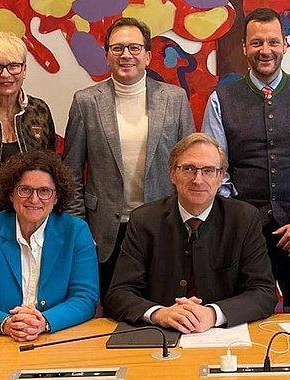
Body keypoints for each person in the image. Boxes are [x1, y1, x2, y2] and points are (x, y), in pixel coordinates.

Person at [202, 8, 290, 311]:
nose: (266, 51)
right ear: (244, 48)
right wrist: (237, 220)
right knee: (243, 310)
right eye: (257, 43)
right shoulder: (220, 100)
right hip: (242, 229)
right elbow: (213, 170)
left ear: (285, 45)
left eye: (273, 42)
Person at [62, 17, 195, 304]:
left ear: (147, 55)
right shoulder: (86, 101)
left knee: (165, 307)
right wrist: (81, 231)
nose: (126, 55)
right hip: (106, 231)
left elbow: (191, 167)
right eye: (117, 48)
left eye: (134, 48)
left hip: (164, 225)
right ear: (107, 54)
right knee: (113, 310)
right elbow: (70, 174)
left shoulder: (175, 99)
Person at [104, 133, 276, 333]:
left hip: (224, 338)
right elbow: (118, 293)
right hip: (159, 337)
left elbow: (263, 292)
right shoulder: (144, 220)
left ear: (221, 177)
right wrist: (160, 314)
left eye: (209, 170)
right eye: (188, 169)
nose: (198, 179)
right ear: (172, 174)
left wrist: (213, 314)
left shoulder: (244, 219)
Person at [0, 151, 98, 340]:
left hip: (58, 338)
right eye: (25, 189)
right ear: (11, 193)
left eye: (44, 191)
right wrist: (6, 323)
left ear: (56, 197)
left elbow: (85, 298)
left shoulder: (76, 231)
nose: (34, 199)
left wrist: (44, 322)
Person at [0, 32, 56, 223]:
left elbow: (52, 170)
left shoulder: (40, 111)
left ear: (24, 69)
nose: (6, 74)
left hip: (31, 224)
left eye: (14, 66)